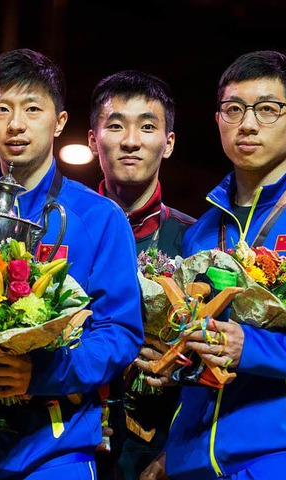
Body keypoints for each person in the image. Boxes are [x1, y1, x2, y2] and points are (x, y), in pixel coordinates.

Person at [141, 50, 286, 479]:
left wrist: (249, 348)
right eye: (233, 110)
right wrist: (173, 367)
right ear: (218, 121)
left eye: (267, 110)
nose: (247, 124)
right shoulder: (201, 232)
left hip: (281, 457)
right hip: (190, 464)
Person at [0, 48, 144, 479]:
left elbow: (120, 332)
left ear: (59, 121)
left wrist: (42, 373)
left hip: (53, 451)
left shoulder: (99, 218)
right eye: (2, 109)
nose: (16, 124)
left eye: (32, 109)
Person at [87, 70, 195, 479]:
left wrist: (177, 456)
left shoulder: (196, 242)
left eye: (147, 127)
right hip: (66, 449)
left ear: (167, 143)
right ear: (94, 140)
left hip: (158, 459)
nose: (131, 140)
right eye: (116, 125)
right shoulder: (58, 234)